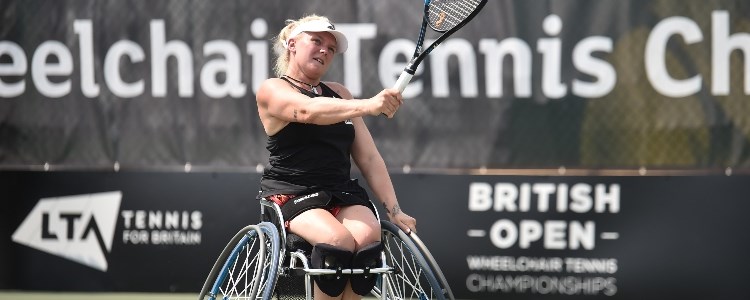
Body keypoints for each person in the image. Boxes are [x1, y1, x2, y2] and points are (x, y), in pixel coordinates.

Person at [255, 14, 417, 300]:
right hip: (294, 193)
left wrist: (394, 210)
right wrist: (369, 105)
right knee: (337, 242)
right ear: (292, 44)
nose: (324, 51)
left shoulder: (341, 94)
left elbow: (368, 158)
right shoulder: (273, 89)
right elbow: (308, 111)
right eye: (316, 41)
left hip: (341, 192)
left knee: (368, 241)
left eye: (330, 48)